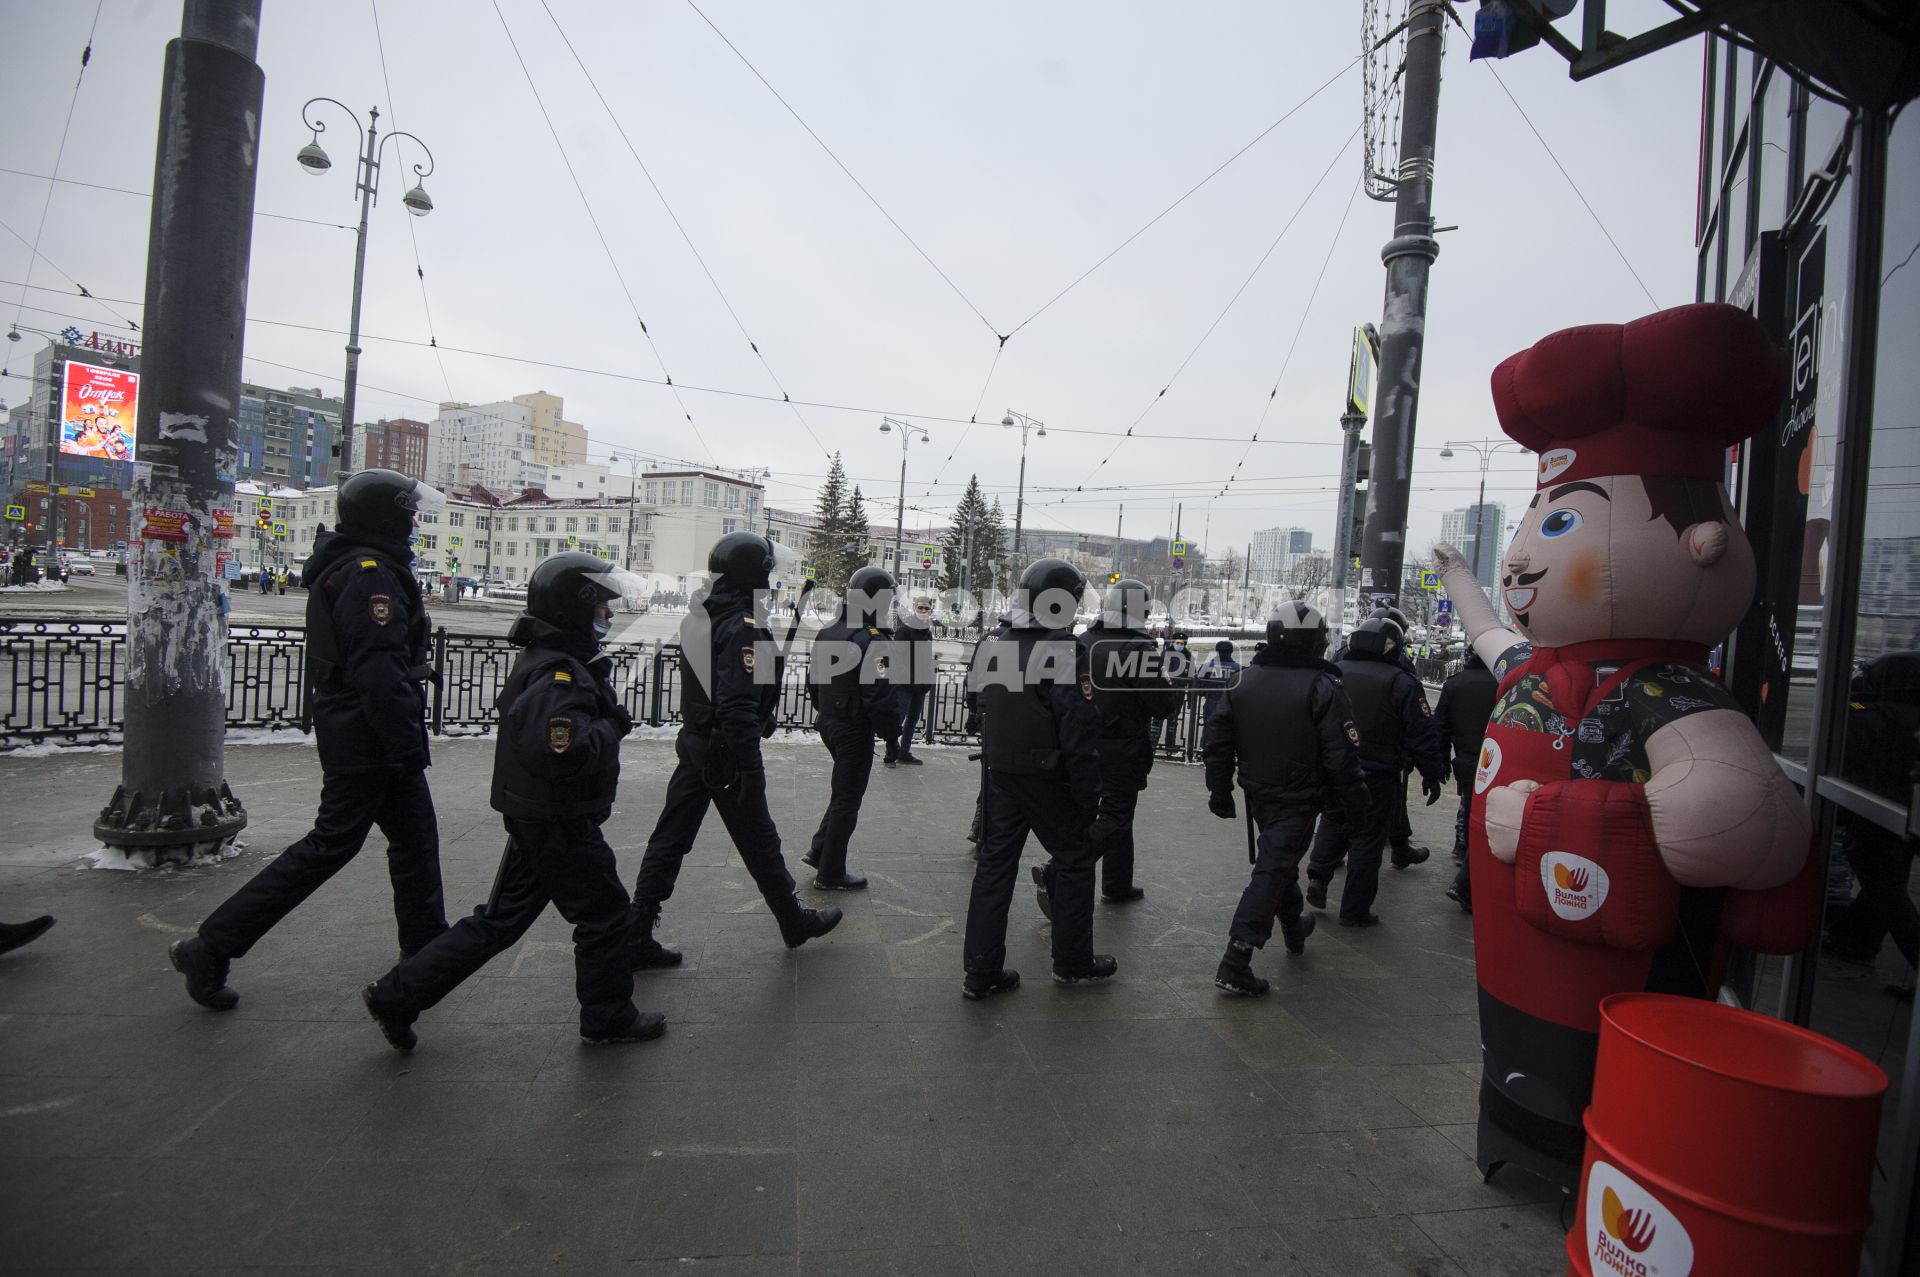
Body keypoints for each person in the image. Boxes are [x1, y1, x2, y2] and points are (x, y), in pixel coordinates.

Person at [360, 552, 664, 1049]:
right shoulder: (559, 675)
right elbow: (561, 753)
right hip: (558, 819)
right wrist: (611, 725)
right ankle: (608, 1017)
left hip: (536, 814)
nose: (608, 617)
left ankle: (398, 994)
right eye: (601, 608)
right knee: (605, 913)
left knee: (498, 922)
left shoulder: (554, 659)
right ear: (575, 608)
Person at [170, 470, 449, 1010]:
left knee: (415, 842)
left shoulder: (364, 565)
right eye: (408, 512)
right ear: (385, 516)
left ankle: (427, 954)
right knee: (329, 846)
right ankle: (211, 945)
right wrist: (404, 743)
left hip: (365, 732)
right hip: (368, 739)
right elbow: (376, 670)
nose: (415, 522)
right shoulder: (369, 575)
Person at [627, 533, 842, 966]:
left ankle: (637, 926)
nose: (771, 582)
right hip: (726, 752)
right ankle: (792, 919)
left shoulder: (702, 616)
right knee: (759, 838)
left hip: (697, 742)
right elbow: (736, 702)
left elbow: (722, 692)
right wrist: (751, 764)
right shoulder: (743, 625)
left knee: (670, 838)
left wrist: (762, 710)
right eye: (766, 574)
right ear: (751, 574)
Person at [961, 558, 1112, 998]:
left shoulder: (997, 644)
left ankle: (980, 971)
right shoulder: (1063, 650)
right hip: (1047, 775)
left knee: (994, 868)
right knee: (1075, 859)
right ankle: (1072, 961)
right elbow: (1078, 731)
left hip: (1000, 771)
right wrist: (1088, 795)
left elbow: (980, 702)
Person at [1205, 603, 1369, 993]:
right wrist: (1357, 805)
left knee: (1277, 862)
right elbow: (1341, 756)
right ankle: (1237, 957)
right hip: (1300, 796)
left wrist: (1220, 790)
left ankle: (1294, 926)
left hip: (1257, 793)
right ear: (1315, 642)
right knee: (1273, 869)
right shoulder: (1323, 686)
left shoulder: (1243, 680)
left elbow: (1217, 739)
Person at [1034, 577, 1179, 916]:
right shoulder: (1137, 649)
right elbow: (1162, 704)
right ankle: (1058, 870)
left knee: (1106, 814)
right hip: (1122, 749)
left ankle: (1116, 884)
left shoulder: (1084, 640)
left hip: (1083, 744)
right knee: (1115, 816)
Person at [1303, 617, 1445, 926]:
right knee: (1367, 839)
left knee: (1333, 818)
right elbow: (1420, 731)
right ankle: (1355, 911)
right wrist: (1432, 773)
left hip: (1336, 767)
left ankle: (1318, 875)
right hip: (1379, 773)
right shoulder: (1401, 681)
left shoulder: (1334, 673)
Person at [799, 566, 903, 889]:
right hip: (854, 730)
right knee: (848, 799)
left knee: (842, 791)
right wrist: (892, 737)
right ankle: (830, 873)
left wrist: (829, 712)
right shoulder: (874, 639)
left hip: (829, 723)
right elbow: (879, 696)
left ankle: (820, 849)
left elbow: (812, 682)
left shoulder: (830, 630)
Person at [1434, 648, 1497, 912]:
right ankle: (1466, 882)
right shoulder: (1505, 683)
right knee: (1485, 820)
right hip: (1496, 761)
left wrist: (1438, 764)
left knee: (1470, 809)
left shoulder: (1454, 683)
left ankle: (1464, 850)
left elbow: (1440, 727)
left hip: (1465, 760)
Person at [891, 594, 937, 765]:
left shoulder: (927, 631)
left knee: (912, 720)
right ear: (914, 608)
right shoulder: (904, 630)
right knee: (899, 719)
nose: (923, 610)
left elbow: (926, 659)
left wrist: (928, 680)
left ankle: (904, 752)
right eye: (920, 607)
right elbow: (898, 658)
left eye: (926, 608)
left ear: (930, 610)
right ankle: (891, 750)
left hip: (921, 684)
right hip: (905, 684)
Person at [1150, 630, 1194, 751]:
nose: (1179, 645)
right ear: (1173, 642)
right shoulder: (1166, 654)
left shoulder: (1188, 656)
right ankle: (1152, 745)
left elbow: (1192, 677)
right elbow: (1158, 672)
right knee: (1157, 719)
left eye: (1182, 643)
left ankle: (1170, 745)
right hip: (1163, 692)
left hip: (1178, 693)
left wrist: (1190, 699)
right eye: (1177, 642)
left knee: (1173, 720)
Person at [1196, 638, 1242, 723]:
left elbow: (1198, 686)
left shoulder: (1206, 666)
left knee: (1208, 731)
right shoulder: (1238, 668)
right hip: (1231, 706)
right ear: (1231, 652)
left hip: (1211, 704)